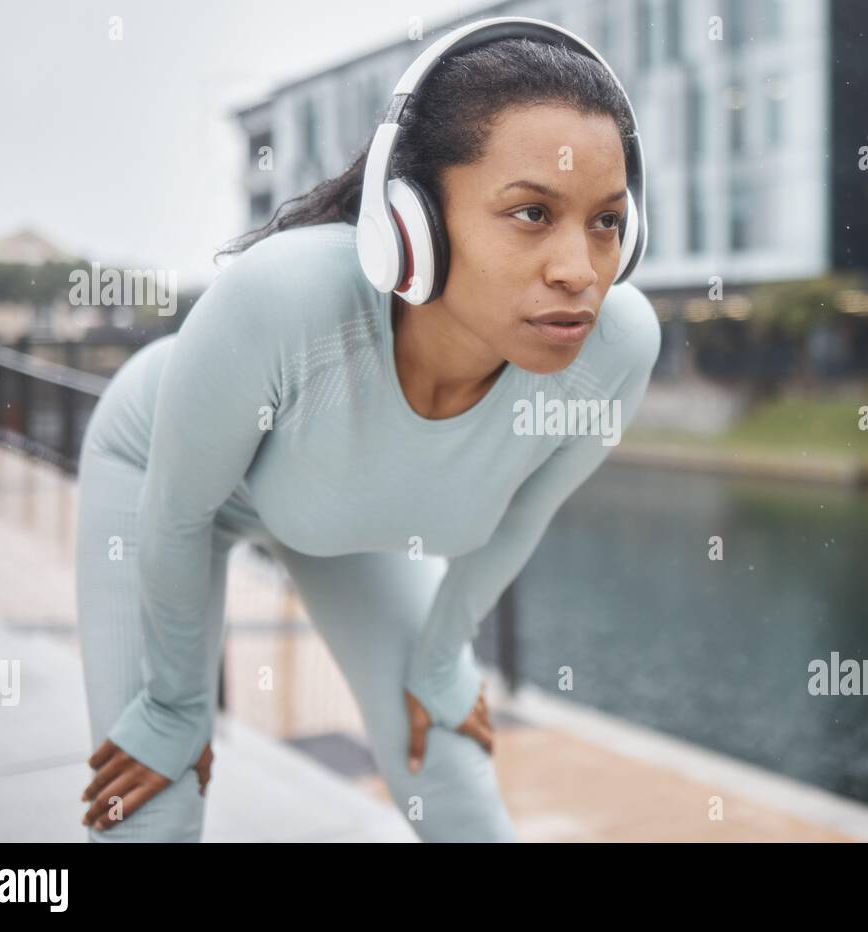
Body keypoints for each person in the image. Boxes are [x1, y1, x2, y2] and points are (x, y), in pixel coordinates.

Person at [74, 26, 660, 842]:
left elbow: (523, 519)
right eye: (532, 212)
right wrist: (176, 706)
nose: (580, 270)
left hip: (336, 509)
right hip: (161, 481)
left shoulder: (618, 347)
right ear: (410, 218)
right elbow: (174, 515)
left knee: (452, 775)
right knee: (152, 806)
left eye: (605, 222)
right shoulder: (280, 302)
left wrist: (441, 658)